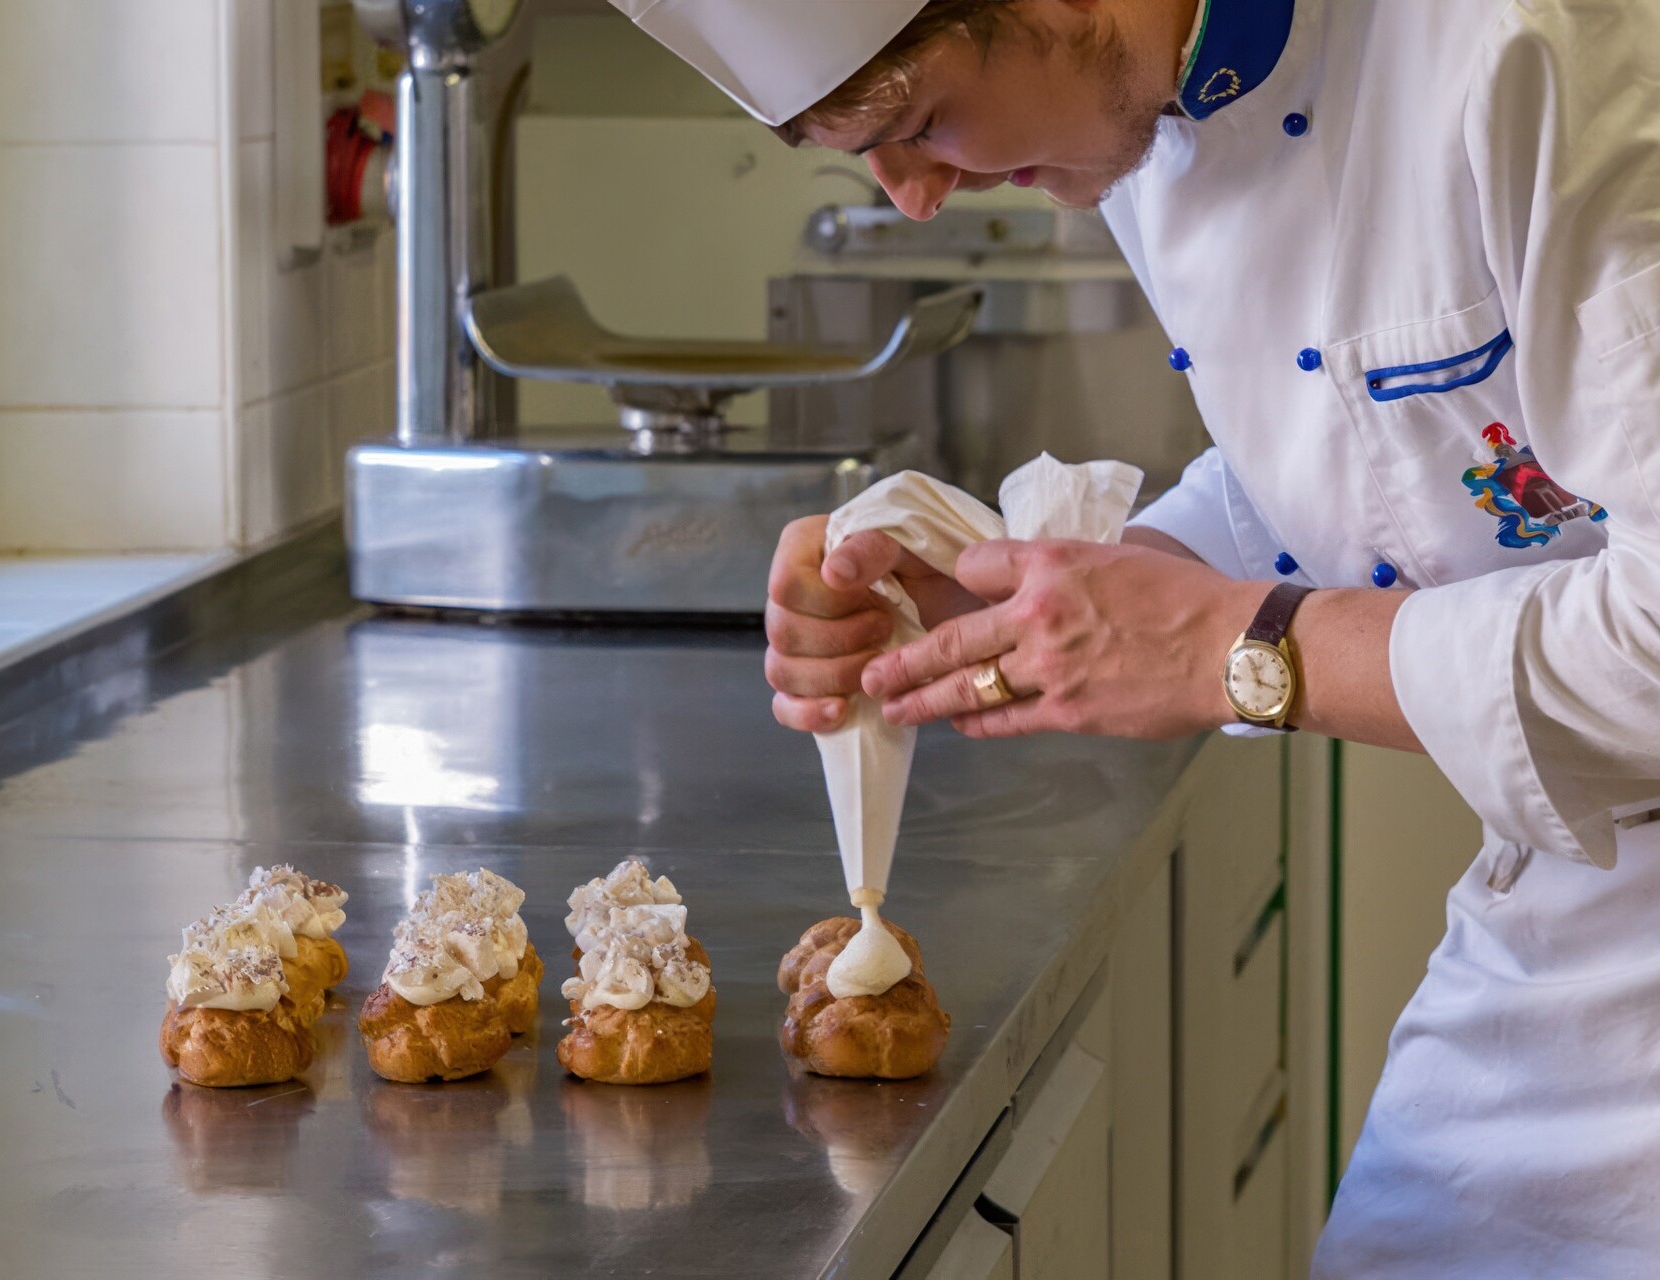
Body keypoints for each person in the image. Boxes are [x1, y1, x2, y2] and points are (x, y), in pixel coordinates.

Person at [610, 0, 1660, 1273]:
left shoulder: (1534, 45)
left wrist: (1234, 647)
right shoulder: (1137, 116)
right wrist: (1029, 607)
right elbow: (1337, 455)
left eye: (923, 121)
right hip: (1568, 927)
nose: (914, 198)